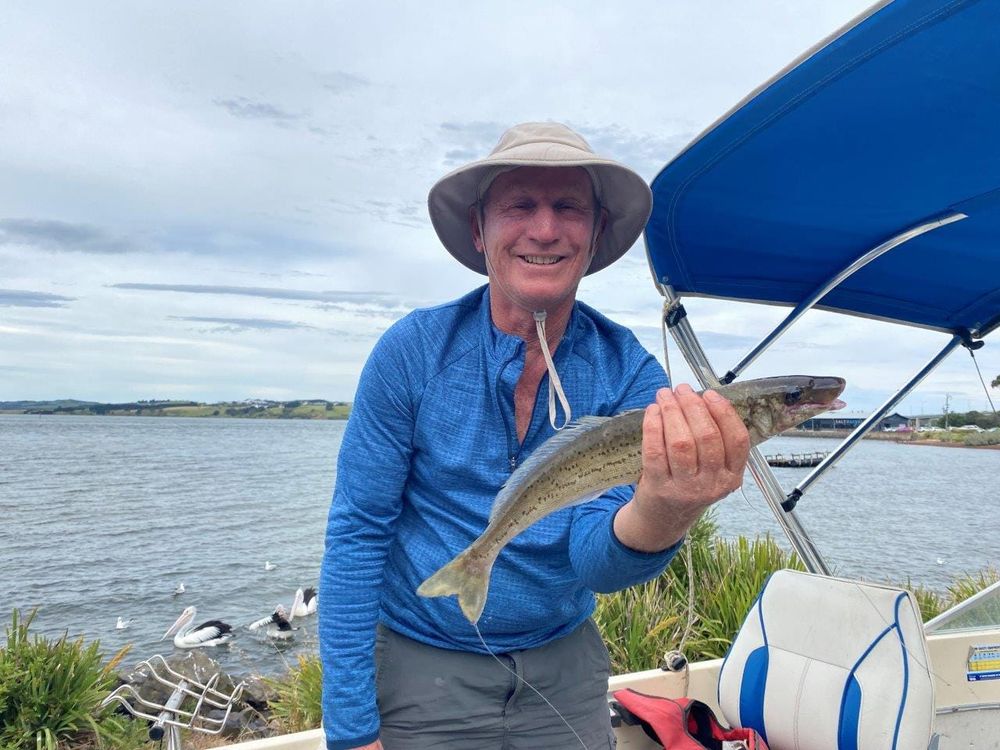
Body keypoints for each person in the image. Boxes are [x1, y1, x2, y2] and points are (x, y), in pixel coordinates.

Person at [319, 122, 751, 750]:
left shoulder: (630, 372)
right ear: (480, 231)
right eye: (520, 205)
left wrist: (668, 508)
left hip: (565, 669)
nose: (545, 229)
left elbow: (595, 561)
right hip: (418, 665)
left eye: (569, 207)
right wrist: (352, 728)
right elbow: (358, 533)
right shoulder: (412, 352)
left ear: (596, 233)